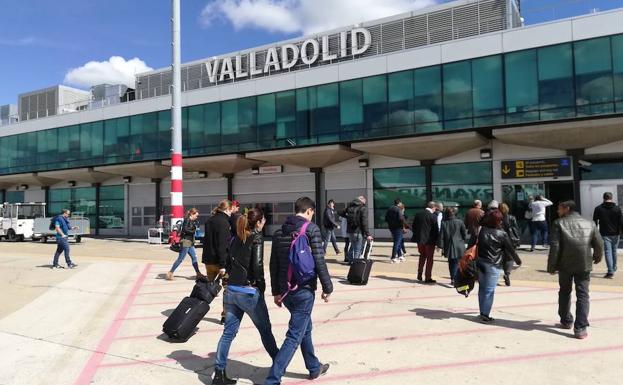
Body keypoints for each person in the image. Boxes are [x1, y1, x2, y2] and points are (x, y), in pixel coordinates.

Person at [266, 197, 333, 385]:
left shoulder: (279, 232)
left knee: (305, 328)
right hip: (304, 290)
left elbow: (273, 265)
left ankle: (314, 367)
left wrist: (276, 292)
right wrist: (328, 287)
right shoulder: (311, 229)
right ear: (310, 211)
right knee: (294, 335)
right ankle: (273, 379)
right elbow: (319, 260)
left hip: (286, 292)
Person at [212, 208, 278, 385]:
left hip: (231, 290)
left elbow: (227, 261)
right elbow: (257, 265)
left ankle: (219, 373)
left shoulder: (238, 236)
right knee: (265, 330)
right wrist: (261, 287)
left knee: (228, 334)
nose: (264, 223)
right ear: (258, 223)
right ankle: (279, 362)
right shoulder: (256, 236)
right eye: (263, 220)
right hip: (248, 292)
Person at [548, 201, 604, 339]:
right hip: (584, 263)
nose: (557, 211)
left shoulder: (558, 223)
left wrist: (552, 266)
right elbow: (599, 242)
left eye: (559, 208)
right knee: (583, 295)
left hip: (565, 265)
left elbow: (555, 247)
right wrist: (597, 256)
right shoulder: (589, 223)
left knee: (565, 292)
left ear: (567, 208)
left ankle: (566, 320)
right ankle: (580, 328)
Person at [476, 209, 521, 323]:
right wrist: (518, 261)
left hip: (481, 261)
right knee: (489, 290)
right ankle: (485, 315)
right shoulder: (502, 234)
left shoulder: (482, 230)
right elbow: (511, 249)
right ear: (499, 221)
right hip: (493, 264)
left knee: (482, 288)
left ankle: (482, 312)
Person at [203, 199, 233, 324]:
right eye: (231, 210)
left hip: (208, 261)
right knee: (227, 289)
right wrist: (222, 264)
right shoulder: (224, 222)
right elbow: (222, 245)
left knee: (207, 290)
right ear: (227, 209)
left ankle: (197, 309)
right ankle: (225, 315)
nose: (231, 213)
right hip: (220, 262)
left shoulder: (209, 220)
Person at [166, 208, 203, 281]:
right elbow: (185, 230)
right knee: (180, 259)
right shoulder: (187, 220)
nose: (196, 217)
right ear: (192, 214)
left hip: (190, 242)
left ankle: (198, 274)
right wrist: (193, 230)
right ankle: (170, 273)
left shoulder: (192, 221)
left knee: (194, 258)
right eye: (196, 215)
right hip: (186, 241)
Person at [593, 192, 623, 278]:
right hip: (616, 234)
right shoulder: (617, 209)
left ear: (603, 198)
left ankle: (610, 271)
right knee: (614, 251)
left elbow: (594, 221)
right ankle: (613, 267)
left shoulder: (598, 208)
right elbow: (621, 222)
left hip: (604, 233)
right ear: (611, 198)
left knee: (607, 252)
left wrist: (595, 233)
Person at [438, 207, 467, 284]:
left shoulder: (444, 223)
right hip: (459, 245)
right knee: (459, 263)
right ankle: (458, 278)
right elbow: (464, 234)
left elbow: (441, 236)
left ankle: (453, 278)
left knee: (452, 263)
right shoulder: (460, 222)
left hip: (450, 246)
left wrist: (440, 246)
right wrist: (462, 240)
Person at [411, 202, 439, 283]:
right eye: (435, 208)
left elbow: (414, 226)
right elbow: (435, 230)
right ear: (433, 207)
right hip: (429, 241)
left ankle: (419, 274)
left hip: (419, 240)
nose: (435, 210)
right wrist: (437, 241)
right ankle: (428, 277)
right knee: (430, 259)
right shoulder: (433, 216)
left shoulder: (418, 214)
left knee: (422, 256)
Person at [343, 196, 372, 263]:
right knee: (357, 250)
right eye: (364, 200)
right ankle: (355, 264)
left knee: (352, 247)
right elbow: (364, 222)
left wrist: (347, 216)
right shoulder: (363, 208)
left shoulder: (350, 207)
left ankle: (350, 261)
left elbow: (340, 212)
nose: (365, 201)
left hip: (350, 232)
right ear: (362, 201)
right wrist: (368, 234)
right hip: (358, 232)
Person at [500, 203, 521, 286]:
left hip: (500, 239)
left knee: (504, 258)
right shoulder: (511, 217)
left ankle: (506, 273)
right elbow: (516, 229)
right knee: (510, 258)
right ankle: (507, 274)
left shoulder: (498, 218)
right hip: (510, 240)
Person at [385, 198, 405, 263]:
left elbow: (386, 218)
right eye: (401, 203)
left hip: (391, 227)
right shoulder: (398, 209)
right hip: (398, 228)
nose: (401, 204)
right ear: (399, 203)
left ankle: (400, 256)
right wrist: (403, 227)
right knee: (396, 242)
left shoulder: (389, 209)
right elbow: (401, 219)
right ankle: (393, 257)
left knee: (397, 241)